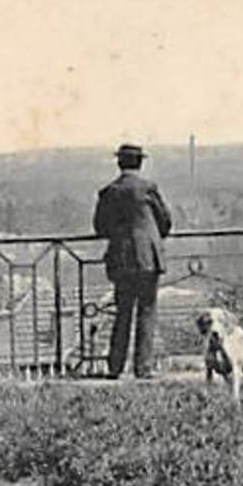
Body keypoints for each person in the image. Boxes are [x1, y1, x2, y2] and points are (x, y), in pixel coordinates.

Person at [92, 143, 173, 379]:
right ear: (140, 163)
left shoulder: (109, 192)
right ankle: (143, 367)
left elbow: (100, 227)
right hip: (148, 257)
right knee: (147, 311)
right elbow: (165, 222)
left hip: (121, 259)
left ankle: (115, 367)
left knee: (122, 312)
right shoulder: (148, 188)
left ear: (119, 163)